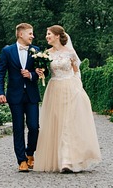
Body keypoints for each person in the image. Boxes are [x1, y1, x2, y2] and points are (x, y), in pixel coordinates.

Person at [32, 25, 101, 173]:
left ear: (57, 36)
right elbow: (45, 72)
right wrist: (40, 72)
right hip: (54, 89)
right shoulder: (46, 54)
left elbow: (76, 71)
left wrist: (77, 87)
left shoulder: (70, 53)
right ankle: (58, 159)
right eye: (47, 34)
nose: (47, 36)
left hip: (70, 88)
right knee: (56, 122)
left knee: (68, 123)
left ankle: (67, 161)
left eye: (49, 34)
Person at [0, 22, 41, 172]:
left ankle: (30, 153)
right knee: (18, 128)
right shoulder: (7, 51)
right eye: (30, 33)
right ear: (21, 34)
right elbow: (0, 73)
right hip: (14, 96)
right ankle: (21, 160)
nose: (33, 36)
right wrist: (0, 92)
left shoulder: (36, 50)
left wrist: (31, 75)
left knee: (34, 127)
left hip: (31, 95)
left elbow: (42, 72)